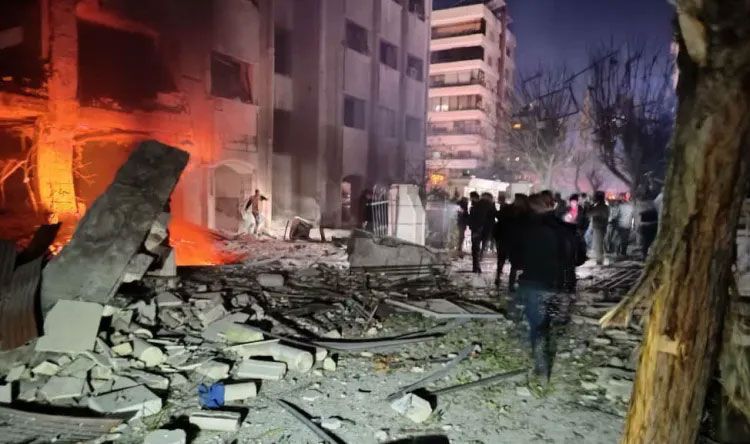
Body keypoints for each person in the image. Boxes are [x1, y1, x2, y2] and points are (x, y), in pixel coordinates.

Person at [516, 193, 575, 381]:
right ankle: (543, 359)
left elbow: (516, 258)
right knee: (547, 320)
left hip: (535, 282)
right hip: (557, 283)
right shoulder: (564, 228)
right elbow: (576, 258)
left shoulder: (527, 228)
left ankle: (541, 367)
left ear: (533, 207)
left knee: (537, 325)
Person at [468, 191, 492, 273]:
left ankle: (476, 266)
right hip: (485, 230)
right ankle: (477, 265)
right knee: (480, 248)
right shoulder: (490, 206)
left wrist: (473, 227)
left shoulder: (477, 206)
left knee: (475, 249)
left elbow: (473, 218)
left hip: (477, 230)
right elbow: (491, 219)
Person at [588, 191, 610, 265]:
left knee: (598, 244)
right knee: (599, 244)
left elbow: (588, 214)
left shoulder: (598, 207)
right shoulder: (605, 206)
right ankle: (600, 259)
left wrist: (591, 206)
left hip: (598, 227)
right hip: (602, 226)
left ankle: (599, 260)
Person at [609, 192, 634, 258]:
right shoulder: (631, 206)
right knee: (625, 239)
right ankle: (623, 253)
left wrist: (612, 219)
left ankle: (617, 252)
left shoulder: (620, 207)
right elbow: (632, 216)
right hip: (628, 225)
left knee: (618, 238)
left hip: (620, 225)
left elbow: (615, 216)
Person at [637, 195, 659, 261]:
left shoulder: (642, 207)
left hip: (646, 226)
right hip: (652, 225)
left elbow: (639, 217)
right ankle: (646, 255)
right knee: (648, 241)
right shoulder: (653, 206)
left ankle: (644, 255)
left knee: (646, 242)